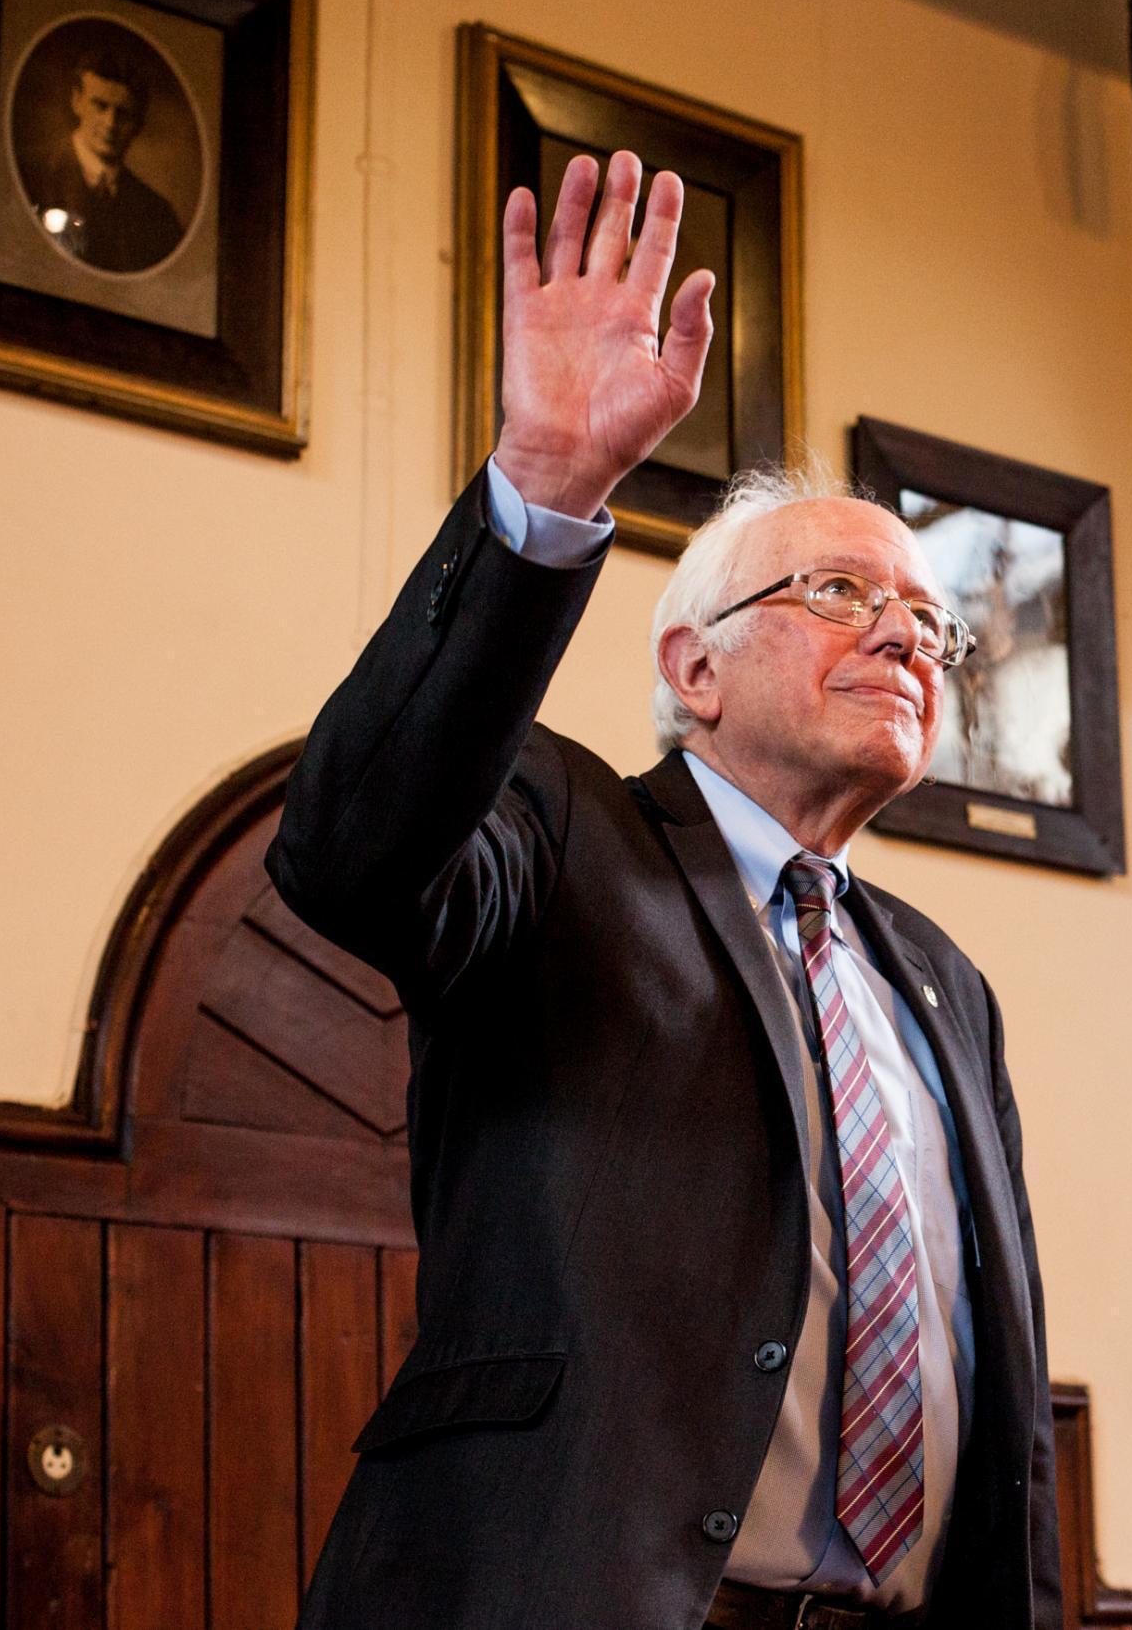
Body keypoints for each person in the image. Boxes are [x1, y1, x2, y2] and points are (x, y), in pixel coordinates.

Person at [271, 152, 1058, 1630]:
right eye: (839, 594)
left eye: (928, 624)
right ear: (692, 669)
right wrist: (547, 488)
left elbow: (1001, 1394)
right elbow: (350, 850)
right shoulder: (561, 826)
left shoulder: (945, 978)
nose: (902, 632)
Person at [21, 30, 188, 273]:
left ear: (138, 123)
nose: (110, 123)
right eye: (100, 106)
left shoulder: (158, 216)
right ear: (77, 101)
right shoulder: (29, 174)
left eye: (123, 114)